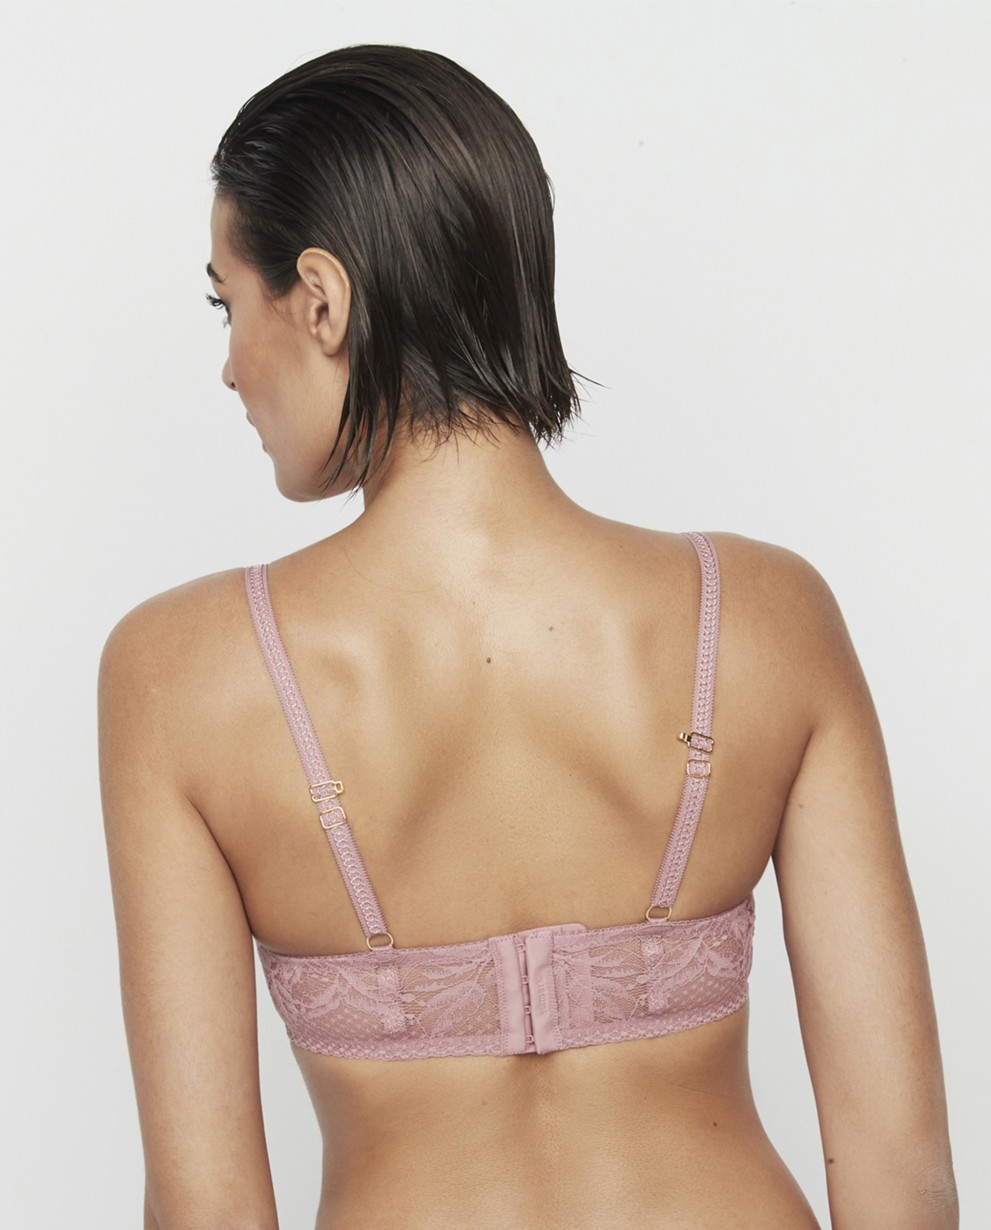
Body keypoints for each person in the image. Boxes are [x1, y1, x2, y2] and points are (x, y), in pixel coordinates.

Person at [99, 44, 957, 1230]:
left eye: (225, 301)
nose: (230, 366)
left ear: (322, 299)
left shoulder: (179, 676)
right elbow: (901, 1175)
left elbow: (205, 1211)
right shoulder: (766, 618)